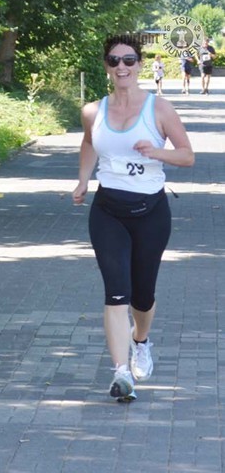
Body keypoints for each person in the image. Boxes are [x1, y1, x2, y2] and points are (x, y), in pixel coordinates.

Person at [72, 34, 194, 402]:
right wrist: (83, 179)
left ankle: (140, 340)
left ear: (140, 65)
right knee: (116, 292)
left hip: (150, 213)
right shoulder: (93, 111)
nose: (121, 66)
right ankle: (121, 372)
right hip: (108, 211)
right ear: (106, 66)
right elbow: (89, 142)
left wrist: (157, 152)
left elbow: (187, 155)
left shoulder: (159, 109)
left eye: (128, 60)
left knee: (142, 295)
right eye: (114, 60)